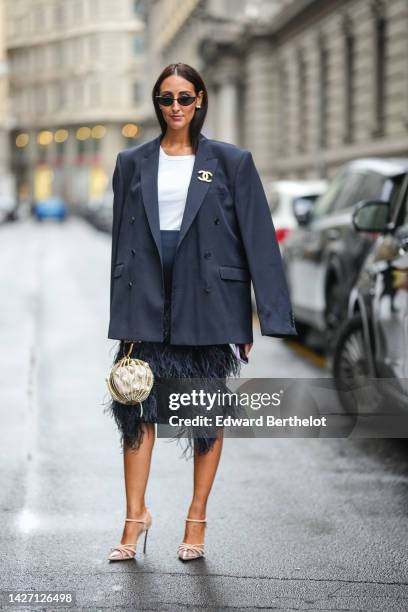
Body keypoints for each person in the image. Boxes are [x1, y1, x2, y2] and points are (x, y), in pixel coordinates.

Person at [104, 62, 297, 562]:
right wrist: (120, 310)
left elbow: (257, 238)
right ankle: (134, 517)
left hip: (208, 299)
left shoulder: (231, 162)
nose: (175, 108)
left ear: (200, 99)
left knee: (204, 413)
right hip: (147, 294)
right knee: (136, 408)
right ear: (157, 102)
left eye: (184, 98)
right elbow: (123, 242)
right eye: (166, 99)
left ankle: (196, 519)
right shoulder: (131, 161)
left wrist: (260, 316)